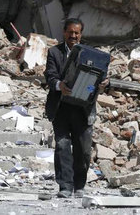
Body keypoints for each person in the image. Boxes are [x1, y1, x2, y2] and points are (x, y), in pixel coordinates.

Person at [44, 18, 109, 198]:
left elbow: (102, 77)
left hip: (83, 109)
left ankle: (79, 186)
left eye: (77, 33)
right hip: (61, 108)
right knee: (62, 146)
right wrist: (59, 85)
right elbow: (50, 76)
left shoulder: (91, 54)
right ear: (64, 32)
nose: (73, 36)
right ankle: (65, 186)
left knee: (83, 149)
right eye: (70, 32)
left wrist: (104, 84)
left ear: (81, 34)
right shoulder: (54, 53)